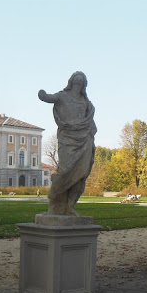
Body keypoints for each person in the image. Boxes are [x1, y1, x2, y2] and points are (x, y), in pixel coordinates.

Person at [38, 71, 96, 216]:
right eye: (77, 80)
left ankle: (70, 206)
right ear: (71, 82)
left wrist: (91, 131)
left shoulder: (86, 102)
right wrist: (42, 95)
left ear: (84, 84)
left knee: (81, 174)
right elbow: (49, 98)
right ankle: (54, 201)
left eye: (81, 81)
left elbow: (90, 120)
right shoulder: (62, 96)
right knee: (65, 171)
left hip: (84, 139)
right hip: (67, 138)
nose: (79, 82)